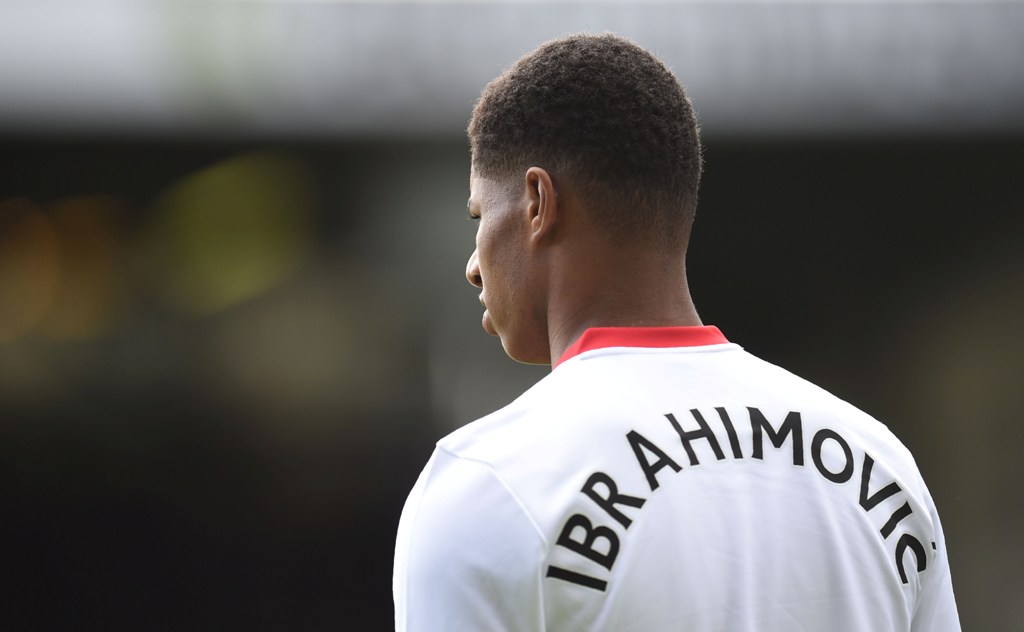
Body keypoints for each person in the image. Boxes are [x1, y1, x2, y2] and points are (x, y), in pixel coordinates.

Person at [392, 33, 960, 631]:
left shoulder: (488, 483)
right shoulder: (883, 468)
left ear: (537, 202)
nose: (473, 264)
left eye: (480, 217)